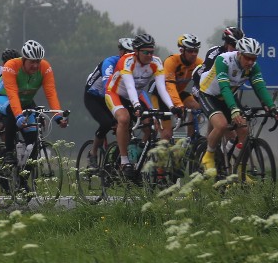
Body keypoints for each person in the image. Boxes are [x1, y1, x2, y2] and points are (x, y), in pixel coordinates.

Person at [195, 37, 278, 173]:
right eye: (247, 58)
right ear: (239, 53)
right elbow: (224, 87)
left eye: (254, 59)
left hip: (227, 96)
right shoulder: (223, 60)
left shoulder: (253, 67)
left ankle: (240, 169)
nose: (250, 62)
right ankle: (208, 156)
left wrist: (272, 107)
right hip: (209, 95)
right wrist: (234, 109)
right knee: (221, 125)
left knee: (244, 130)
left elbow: (260, 87)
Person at [104, 33, 171, 172]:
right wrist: (136, 106)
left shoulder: (156, 62)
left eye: (152, 52)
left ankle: (140, 154)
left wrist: (172, 107)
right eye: (146, 52)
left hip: (136, 96)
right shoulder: (127, 61)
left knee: (151, 125)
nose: (149, 55)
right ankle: (124, 161)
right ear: (136, 51)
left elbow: (161, 88)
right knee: (124, 119)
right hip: (116, 94)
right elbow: (130, 87)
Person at [0, 39, 68, 157]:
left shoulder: (45, 67)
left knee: (32, 141)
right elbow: (12, 94)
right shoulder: (11, 66)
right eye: (32, 62)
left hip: (25, 101)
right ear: (24, 59)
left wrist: (58, 116)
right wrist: (18, 115)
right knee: (11, 112)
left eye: (38, 61)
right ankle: (8, 151)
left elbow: (50, 93)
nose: (35, 65)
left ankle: (26, 167)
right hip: (2, 97)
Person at [83, 38, 135, 157]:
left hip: (113, 95)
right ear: (121, 52)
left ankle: (119, 155)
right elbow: (108, 85)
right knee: (107, 123)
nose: (131, 57)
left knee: (128, 122)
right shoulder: (109, 62)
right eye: (128, 53)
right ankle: (93, 153)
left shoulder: (133, 66)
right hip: (94, 97)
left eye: (133, 54)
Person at [163, 35, 206, 138]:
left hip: (179, 92)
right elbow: (170, 86)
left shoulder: (198, 63)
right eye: (190, 51)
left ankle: (190, 139)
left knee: (197, 107)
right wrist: (179, 104)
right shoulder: (171, 61)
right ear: (182, 50)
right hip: (163, 94)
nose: (194, 54)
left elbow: (207, 81)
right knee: (167, 134)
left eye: (196, 51)